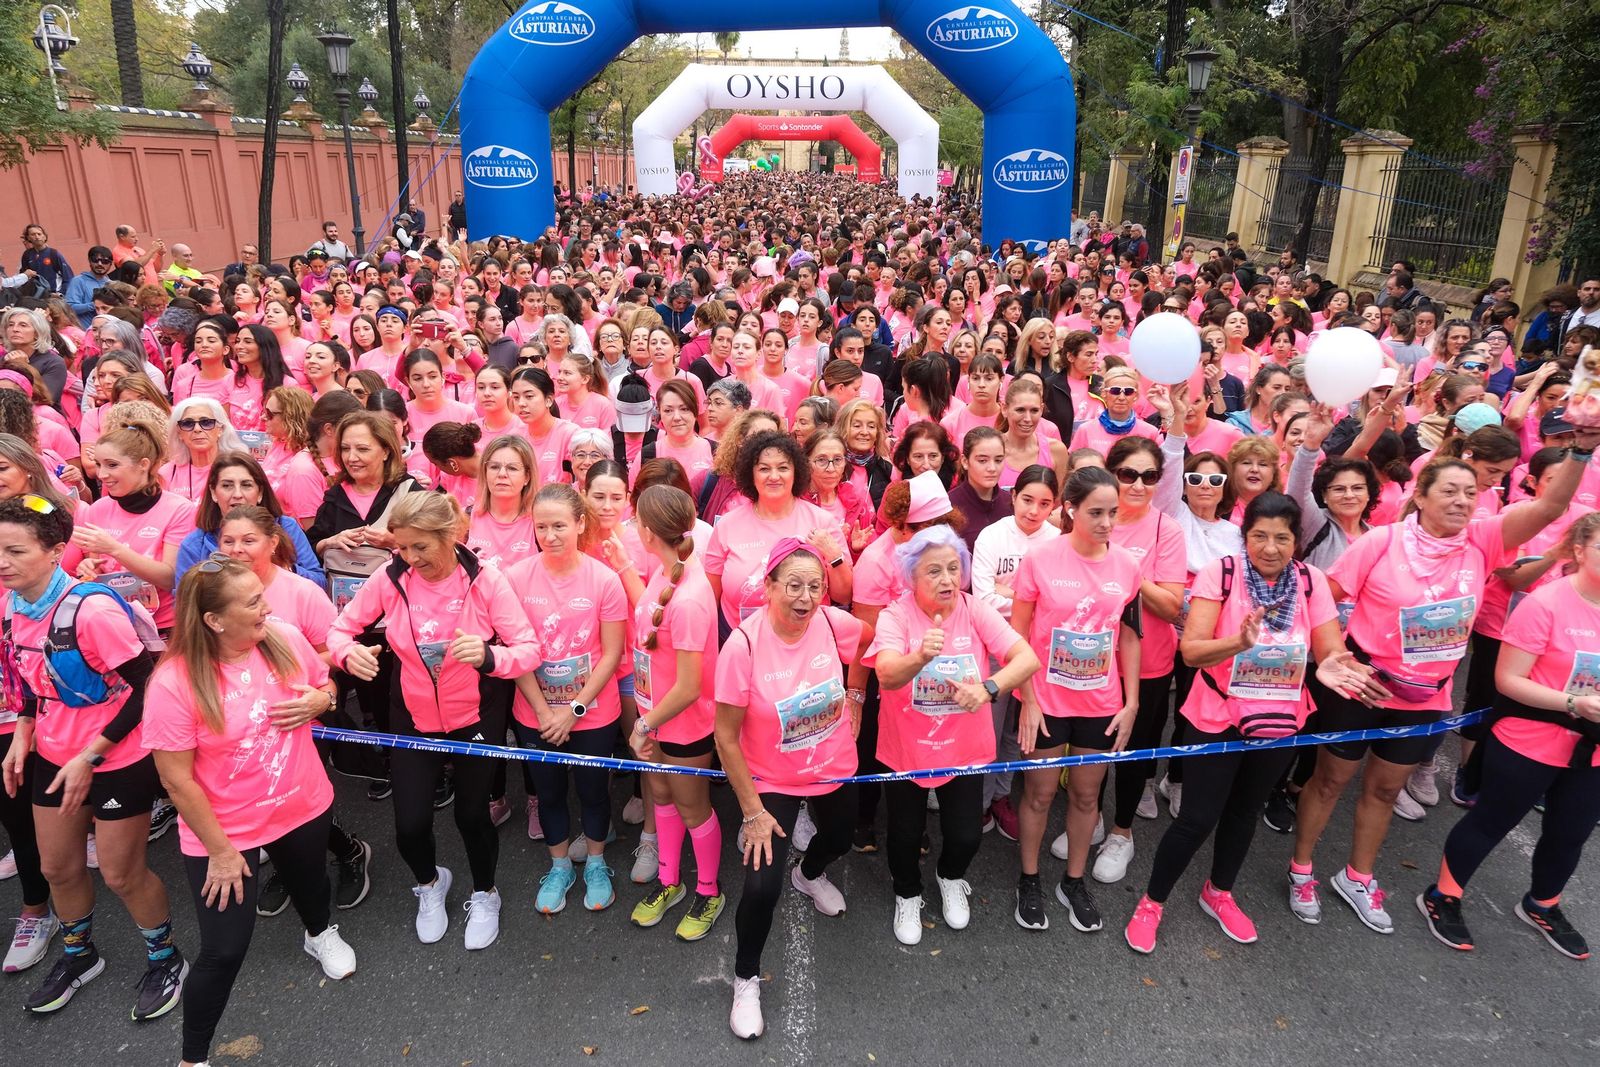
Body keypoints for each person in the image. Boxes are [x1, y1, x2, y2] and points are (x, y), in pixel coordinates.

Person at [1293, 444, 1597, 933]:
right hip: (1365, 685)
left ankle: (1358, 876)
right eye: (1450, 491)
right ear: (1420, 495)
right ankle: (1301, 869)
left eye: (1471, 493)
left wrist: (1580, 450)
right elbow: (1323, 599)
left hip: (1426, 695)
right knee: (1330, 782)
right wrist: (1332, 655)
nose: (1462, 501)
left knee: (1386, 789)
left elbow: (1550, 507)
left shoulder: (1482, 542)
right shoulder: (1382, 542)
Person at [1123, 492, 1383, 953]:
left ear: (1295, 542)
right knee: (1197, 818)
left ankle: (1218, 891)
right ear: (1245, 538)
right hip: (1217, 715)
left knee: (1245, 812)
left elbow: (1328, 646)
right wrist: (1236, 643)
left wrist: (1331, 666)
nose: (1270, 547)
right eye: (1259, 536)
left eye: (1282, 538)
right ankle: (1151, 901)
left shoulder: (1309, 581)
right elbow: (1192, 651)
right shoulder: (1221, 574)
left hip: (1281, 716)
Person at [143, 555, 355, 1067]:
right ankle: (194, 1058)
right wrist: (218, 851)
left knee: (311, 886)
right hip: (224, 831)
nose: (267, 606)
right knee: (222, 950)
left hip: (301, 802)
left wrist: (320, 701)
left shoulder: (280, 636)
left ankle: (319, 933)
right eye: (253, 601)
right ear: (214, 620)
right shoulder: (174, 683)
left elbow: (325, 685)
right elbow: (175, 779)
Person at [327, 492, 540, 951]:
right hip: (414, 715)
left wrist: (488, 656)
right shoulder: (391, 577)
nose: (410, 558)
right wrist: (349, 653)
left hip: (475, 714)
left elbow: (528, 649)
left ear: (451, 536)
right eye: (402, 547)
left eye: (420, 547)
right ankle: (430, 884)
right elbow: (340, 629)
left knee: (471, 816)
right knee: (409, 824)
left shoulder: (485, 580)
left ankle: (485, 893)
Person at [0, 495, 184, 1018]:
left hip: (117, 757)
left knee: (122, 874)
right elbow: (37, 678)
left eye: (15, 551)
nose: (2, 563)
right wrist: (24, 731)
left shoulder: (94, 610)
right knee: (57, 867)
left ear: (57, 551)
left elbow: (147, 690)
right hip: (56, 753)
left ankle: (165, 957)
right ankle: (80, 954)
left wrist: (92, 755)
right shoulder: (15, 604)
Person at [1420, 512, 1600, 958]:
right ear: (1578, 550)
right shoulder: (1546, 604)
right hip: (1531, 737)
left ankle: (1543, 903)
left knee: (1570, 830)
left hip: (1591, 749)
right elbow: (1509, 680)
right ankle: (1442, 895)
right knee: (1491, 821)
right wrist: (1573, 704)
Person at [714, 536, 870, 1040]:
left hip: (831, 764)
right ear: (769, 587)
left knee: (843, 836)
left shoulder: (829, 622)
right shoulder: (743, 645)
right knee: (761, 887)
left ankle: (811, 872)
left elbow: (869, 641)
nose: (805, 598)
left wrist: (856, 694)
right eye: (794, 586)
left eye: (816, 587)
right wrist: (753, 811)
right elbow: (724, 736)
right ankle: (745, 978)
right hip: (770, 779)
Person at [866, 526, 1038, 944]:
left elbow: (1025, 657)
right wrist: (920, 655)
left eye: (952, 569)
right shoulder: (895, 615)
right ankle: (907, 892)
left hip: (963, 750)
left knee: (965, 834)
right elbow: (886, 675)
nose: (946, 579)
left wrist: (988, 688)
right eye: (933, 572)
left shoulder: (973, 608)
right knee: (905, 834)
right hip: (907, 750)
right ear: (911, 578)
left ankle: (950, 876)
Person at [1009, 466, 1142, 932]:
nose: (1108, 522)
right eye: (1096, 513)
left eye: (1113, 512)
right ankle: (1029, 880)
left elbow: (1129, 636)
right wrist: (1026, 698)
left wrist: (1132, 702)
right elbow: (1017, 633)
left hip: (1100, 702)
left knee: (1087, 796)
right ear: (1070, 510)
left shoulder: (1127, 565)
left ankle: (1074, 880)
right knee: (1041, 794)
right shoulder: (1041, 558)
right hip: (1045, 698)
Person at [505, 484, 628, 914]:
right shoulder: (516, 579)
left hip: (592, 713)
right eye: (541, 527)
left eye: (560, 525)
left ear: (580, 524)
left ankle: (595, 862)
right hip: (534, 713)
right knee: (550, 793)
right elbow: (517, 651)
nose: (551, 535)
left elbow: (612, 653)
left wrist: (573, 711)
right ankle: (559, 867)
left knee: (594, 794)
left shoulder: (604, 580)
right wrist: (543, 712)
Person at [626, 485, 724, 942]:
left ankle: (708, 890)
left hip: (681, 725)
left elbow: (689, 686)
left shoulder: (688, 597)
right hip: (655, 719)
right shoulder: (664, 574)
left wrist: (645, 724)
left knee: (692, 807)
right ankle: (670, 882)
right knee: (661, 799)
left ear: (647, 531)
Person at [703, 430, 851, 634]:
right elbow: (710, 598)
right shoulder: (727, 526)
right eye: (764, 468)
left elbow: (843, 595)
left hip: (807, 639)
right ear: (750, 474)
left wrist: (834, 555)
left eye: (783, 467)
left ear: (796, 472)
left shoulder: (822, 522)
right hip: (739, 639)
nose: (774, 476)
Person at [60, 421, 194, 632]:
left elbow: (169, 578)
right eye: (99, 464)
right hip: (114, 625)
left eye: (112, 465)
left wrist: (115, 549)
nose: (102, 474)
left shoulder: (179, 509)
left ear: (143, 464)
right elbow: (95, 565)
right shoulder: (99, 508)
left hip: (165, 627)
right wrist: (87, 569)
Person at [174, 453, 323, 586]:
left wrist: (283, 569)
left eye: (246, 485)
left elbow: (320, 582)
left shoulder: (287, 527)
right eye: (227, 486)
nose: (237, 494)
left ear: (260, 493)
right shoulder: (194, 545)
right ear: (213, 492)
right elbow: (184, 605)